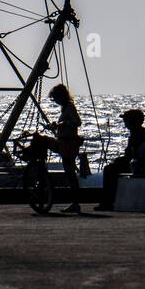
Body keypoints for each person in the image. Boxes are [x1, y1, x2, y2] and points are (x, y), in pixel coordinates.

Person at [97, 109, 145, 211]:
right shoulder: (141, 132)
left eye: (126, 120)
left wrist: (120, 160)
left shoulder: (137, 134)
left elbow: (132, 155)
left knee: (109, 169)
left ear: (132, 121)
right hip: (137, 163)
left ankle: (108, 202)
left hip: (138, 165)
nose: (125, 122)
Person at [48, 83, 84, 213]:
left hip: (69, 144)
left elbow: (77, 122)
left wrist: (62, 124)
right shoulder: (65, 108)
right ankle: (75, 202)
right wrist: (56, 126)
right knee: (69, 173)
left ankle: (75, 203)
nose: (55, 101)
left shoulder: (69, 107)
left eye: (55, 98)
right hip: (65, 143)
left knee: (70, 174)